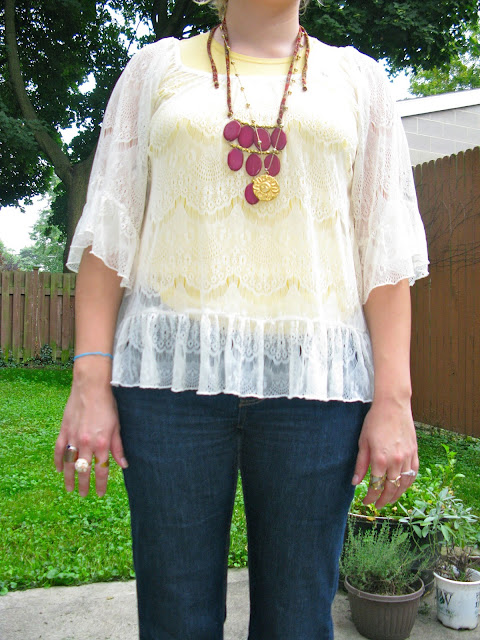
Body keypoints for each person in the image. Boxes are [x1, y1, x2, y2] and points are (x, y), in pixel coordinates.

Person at [55, 0, 429, 638]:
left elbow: (383, 252)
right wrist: (90, 380)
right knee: (175, 620)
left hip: (316, 388)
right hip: (170, 381)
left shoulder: (360, 81)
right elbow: (109, 233)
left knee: (298, 622)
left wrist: (394, 400)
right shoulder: (154, 71)